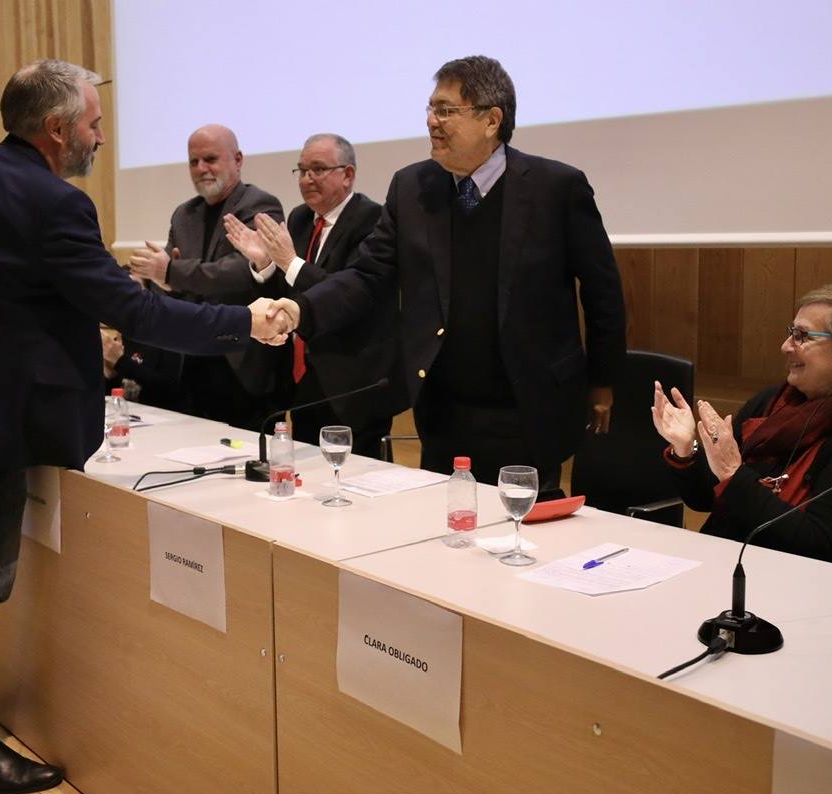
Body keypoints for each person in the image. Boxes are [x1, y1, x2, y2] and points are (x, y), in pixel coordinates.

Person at [0, 60, 289, 794]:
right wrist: (242, 323)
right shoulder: (55, 204)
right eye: (95, 124)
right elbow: (134, 311)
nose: (102, 136)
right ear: (58, 129)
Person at [266, 57, 625, 495]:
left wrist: (603, 381)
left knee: (525, 534)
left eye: (446, 110)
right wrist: (300, 308)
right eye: (430, 109)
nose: (432, 122)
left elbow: (602, 290)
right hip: (442, 406)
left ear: (492, 119)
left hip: (529, 402)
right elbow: (368, 275)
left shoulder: (556, 187)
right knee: (445, 529)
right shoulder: (412, 187)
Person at [651, 284, 832, 577]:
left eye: (802, 336)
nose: (786, 345)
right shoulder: (771, 405)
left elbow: (822, 547)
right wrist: (685, 450)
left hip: (811, 588)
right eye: (791, 332)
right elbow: (705, 499)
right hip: (733, 568)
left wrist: (733, 475)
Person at [224, 133, 403, 458]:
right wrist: (264, 262)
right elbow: (289, 294)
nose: (307, 179)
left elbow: (346, 294)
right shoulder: (300, 218)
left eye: (318, 169)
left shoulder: (372, 220)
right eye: (302, 170)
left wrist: (289, 261)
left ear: (347, 174)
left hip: (353, 381)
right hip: (304, 378)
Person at [129, 125, 287, 430]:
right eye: (193, 161)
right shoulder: (183, 214)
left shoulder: (261, 205)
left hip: (242, 364)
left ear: (238, 160)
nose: (201, 169)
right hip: (191, 358)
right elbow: (171, 283)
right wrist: (159, 281)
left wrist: (172, 273)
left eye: (211, 159)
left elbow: (241, 273)